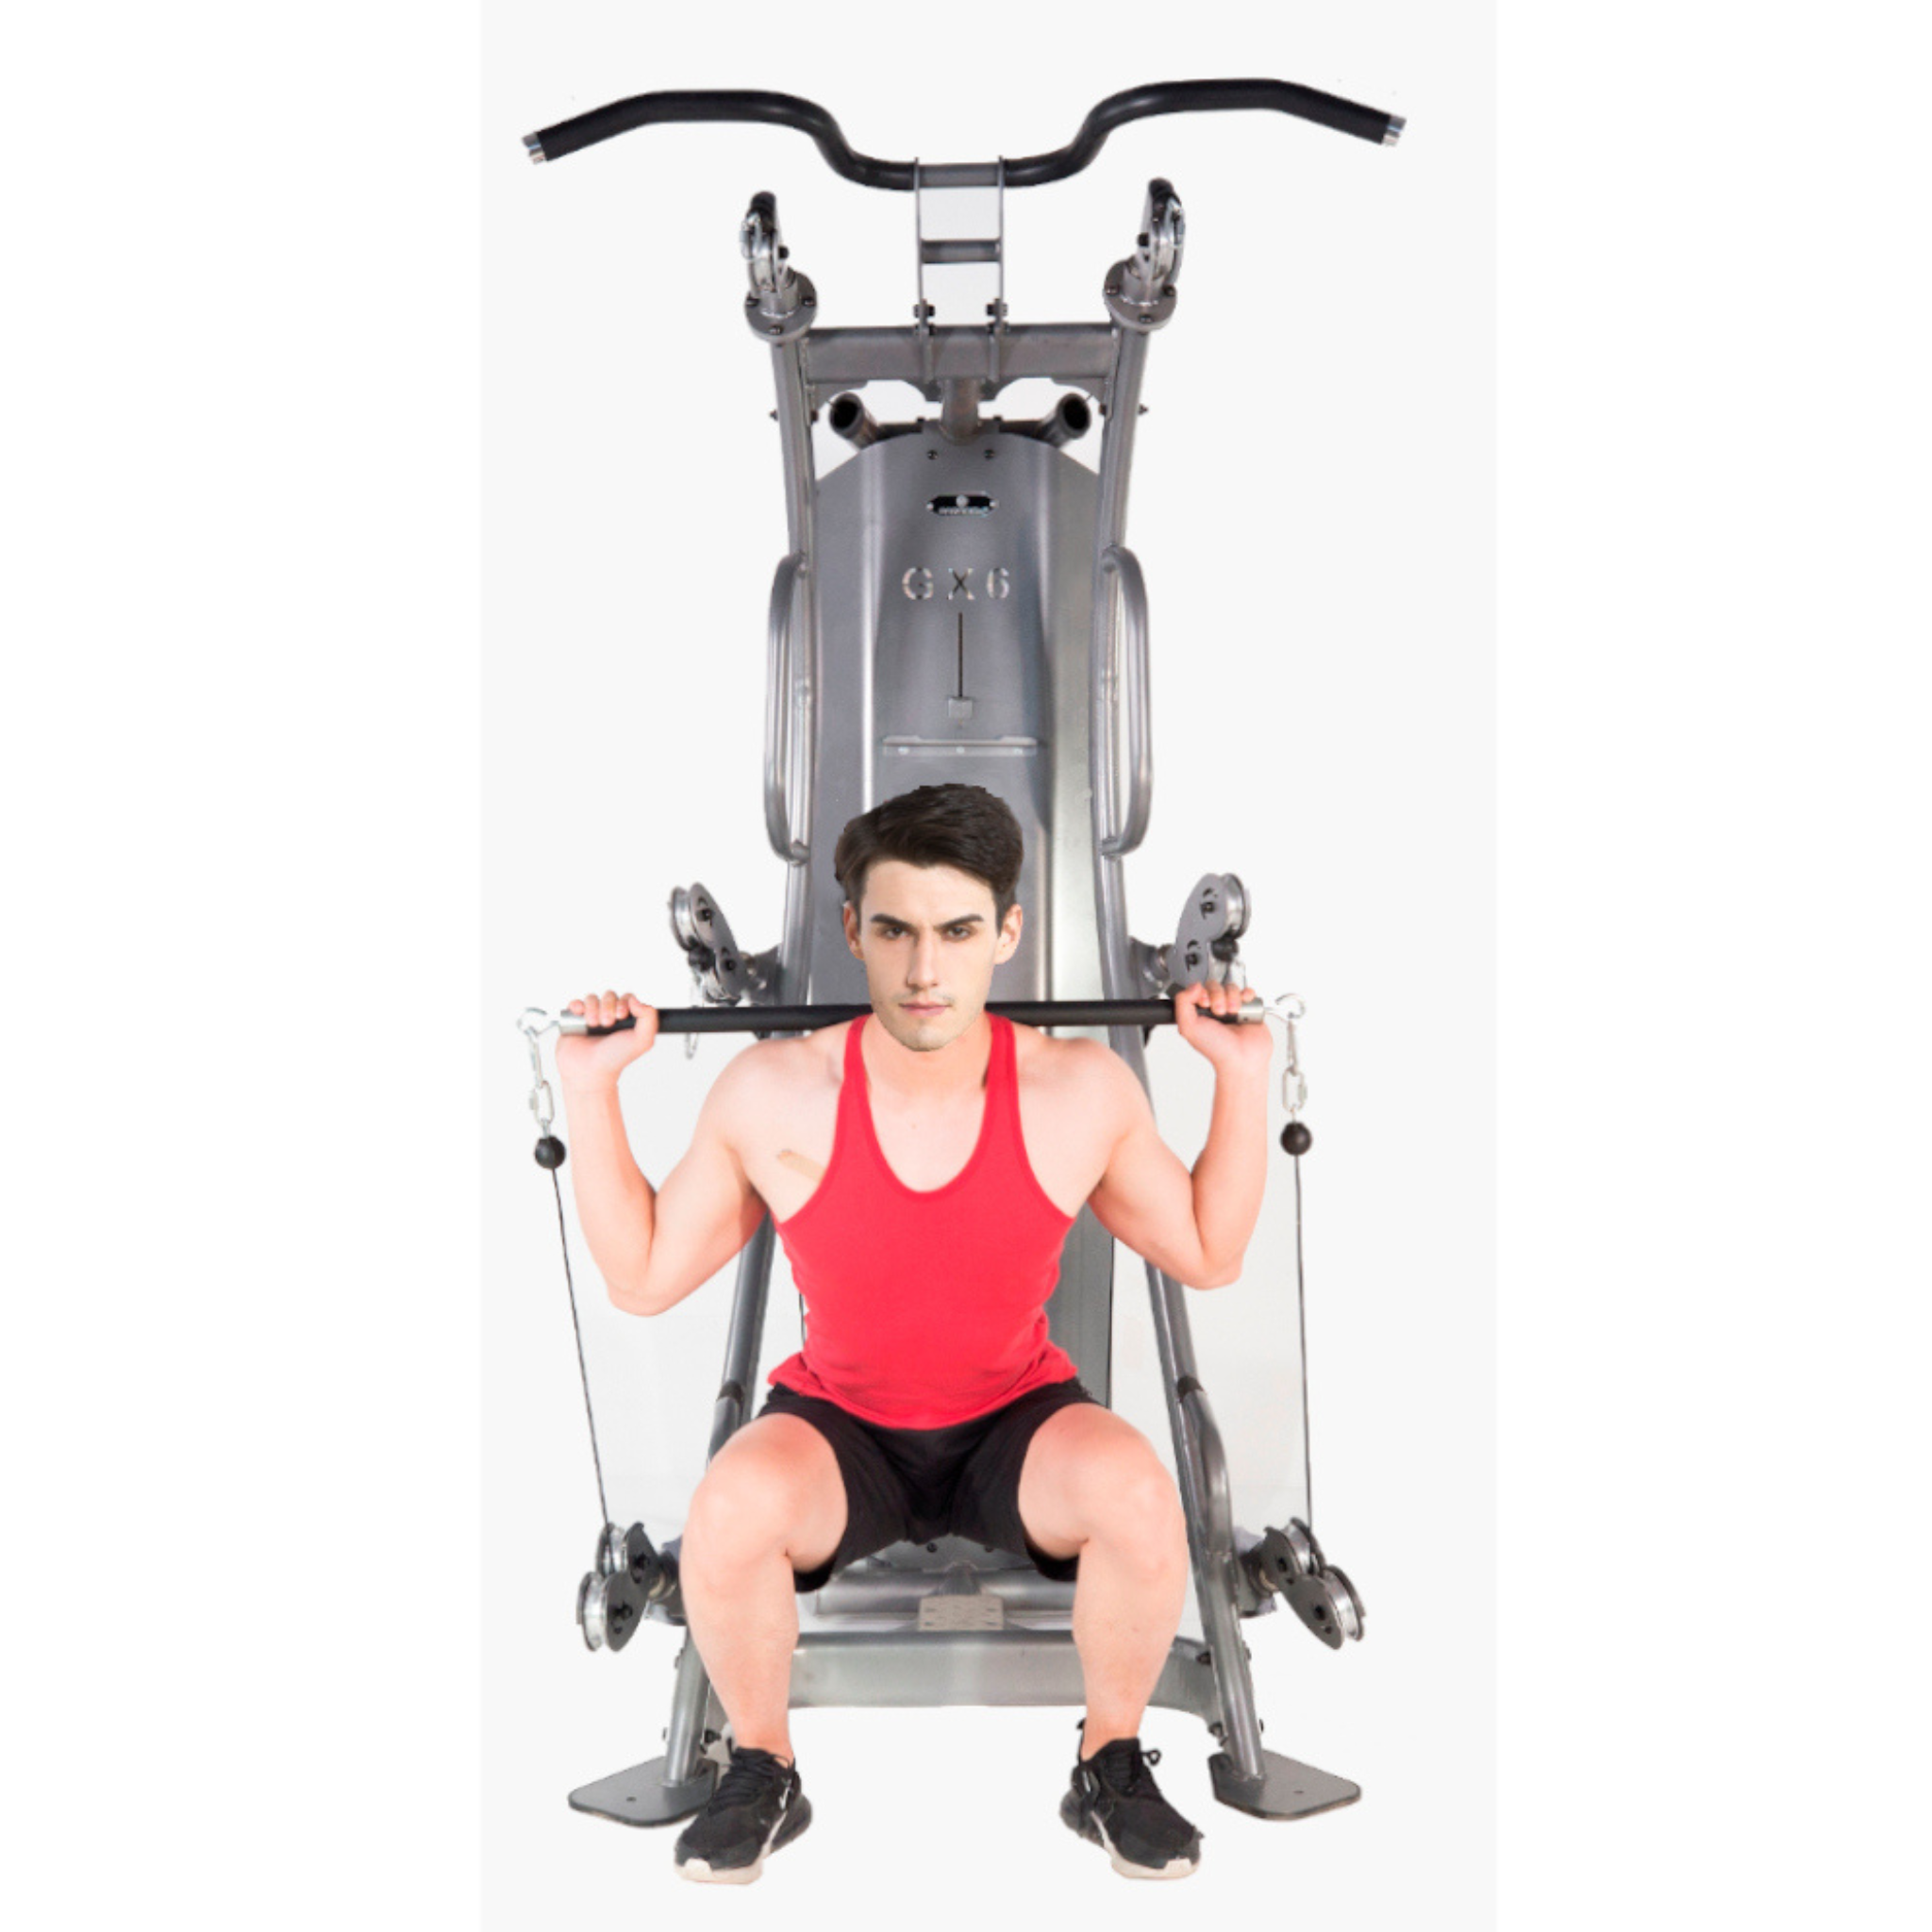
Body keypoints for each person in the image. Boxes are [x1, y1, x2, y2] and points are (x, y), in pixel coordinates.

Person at [555, 783, 1272, 1884]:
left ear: (1007, 932)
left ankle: (1110, 1759)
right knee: (730, 1503)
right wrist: (589, 1090)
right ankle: (762, 1766)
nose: (924, 968)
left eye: (956, 931)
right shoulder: (775, 1089)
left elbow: (1208, 1253)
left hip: (1014, 1419)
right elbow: (643, 1276)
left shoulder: (1077, 1089)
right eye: (893, 930)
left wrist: (1241, 1077)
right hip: (840, 1423)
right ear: (851, 930)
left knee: (1137, 1491)